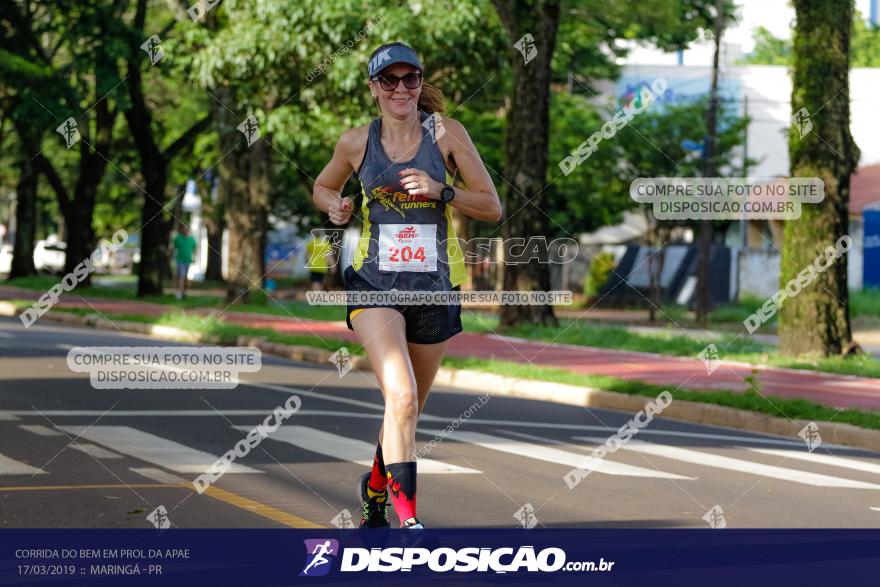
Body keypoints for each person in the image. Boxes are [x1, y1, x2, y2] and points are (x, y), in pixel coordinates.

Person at [312, 42, 501, 529]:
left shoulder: (447, 134)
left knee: (407, 408)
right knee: (401, 397)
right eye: (389, 80)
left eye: (410, 80)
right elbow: (322, 186)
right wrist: (334, 206)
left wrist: (443, 191)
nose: (401, 89)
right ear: (373, 86)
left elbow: (492, 206)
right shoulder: (356, 143)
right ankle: (409, 523)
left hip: (436, 287)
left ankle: (374, 490)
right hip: (375, 286)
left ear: (420, 83)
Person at [171, 224, 196, 300]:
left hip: (188, 260)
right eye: (184, 229)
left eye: (187, 229)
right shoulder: (178, 238)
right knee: (181, 276)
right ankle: (179, 293)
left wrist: (194, 258)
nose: (185, 231)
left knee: (184, 277)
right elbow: (174, 247)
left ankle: (184, 292)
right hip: (180, 260)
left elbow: (194, 249)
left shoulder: (192, 239)